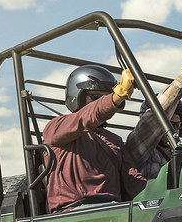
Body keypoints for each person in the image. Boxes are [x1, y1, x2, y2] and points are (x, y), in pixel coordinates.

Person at [41, 65, 145, 212]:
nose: (101, 102)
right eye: (96, 98)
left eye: (106, 97)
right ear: (78, 97)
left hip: (115, 210)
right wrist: (116, 98)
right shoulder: (57, 128)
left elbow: (134, 183)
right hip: (74, 212)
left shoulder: (114, 140)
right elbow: (85, 117)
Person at [126, 49, 182, 178]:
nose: (175, 130)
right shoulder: (139, 150)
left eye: (178, 125)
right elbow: (158, 113)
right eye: (170, 125)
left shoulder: (181, 156)